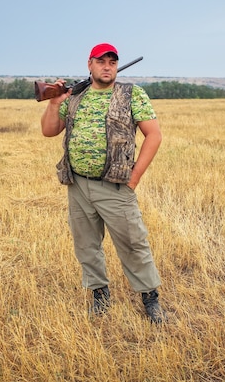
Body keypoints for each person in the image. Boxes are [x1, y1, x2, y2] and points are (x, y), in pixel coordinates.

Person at [40, 43, 166, 323]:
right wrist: (53, 102)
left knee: (133, 243)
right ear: (90, 64)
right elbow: (49, 131)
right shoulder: (75, 96)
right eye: (101, 61)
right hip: (78, 185)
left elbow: (154, 136)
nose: (107, 66)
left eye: (112, 61)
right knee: (86, 245)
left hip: (116, 185)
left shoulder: (131, 94)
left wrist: (134, 179)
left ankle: (150, 299)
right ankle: (100, 295)